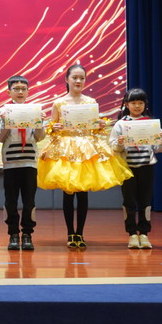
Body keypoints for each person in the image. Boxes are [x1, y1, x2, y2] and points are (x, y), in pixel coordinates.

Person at [37, 64, 132, 248]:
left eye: (82, 78)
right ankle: (70, 234)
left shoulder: (90, 101)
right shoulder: (59, 103)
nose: (78, 81)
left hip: (86, 150)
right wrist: (54, 128)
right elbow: (51, 129)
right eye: (75, 78)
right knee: (68, 192)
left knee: (82, 193)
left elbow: (92, 129)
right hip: (66, 150)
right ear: (67, 79)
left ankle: (80, 233)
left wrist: (99, 125)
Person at [109, 88, 162, 249]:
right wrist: (119, 143)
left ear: (145, 104)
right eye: (133, 103)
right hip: (127, 168)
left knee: (145, 201)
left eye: (140, 103)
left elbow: (159, 148)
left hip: (146, 167)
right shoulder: (121, 124)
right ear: (126, 104)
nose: (137, 106)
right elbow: (113, 146)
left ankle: (144, 233)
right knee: (129, 202)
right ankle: (132, 234)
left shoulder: (150, 123)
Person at [0, 76, 45, 251]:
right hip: (11, 162)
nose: (20, 92)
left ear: (28, 92)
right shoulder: (3, 111)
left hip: (29, 162)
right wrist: (5, 121)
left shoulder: (34, 110)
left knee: (29, 201)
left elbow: (39, 137)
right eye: (16, 89)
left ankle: (28, 234)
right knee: (11, 201)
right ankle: (13, 234)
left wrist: (40, 123)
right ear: (9, 92)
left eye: (23, 89)